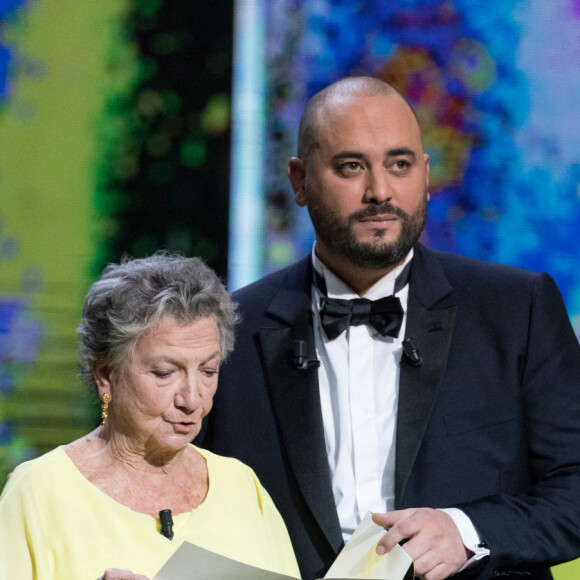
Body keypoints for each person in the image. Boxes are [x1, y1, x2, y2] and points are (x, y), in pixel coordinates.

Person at [196, 76, 580, 580]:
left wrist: (465, 531)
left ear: (424, 174)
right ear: (299, 180)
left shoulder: (517, 309)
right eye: (351, 167)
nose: (379, 191)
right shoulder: (230, 330)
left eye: (398, 165)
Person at [0, 252, 300, 579]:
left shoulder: (242, 487)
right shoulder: (40, 493)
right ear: (105, 374)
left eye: (208, 370)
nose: (192, 399)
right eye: (163, 372)